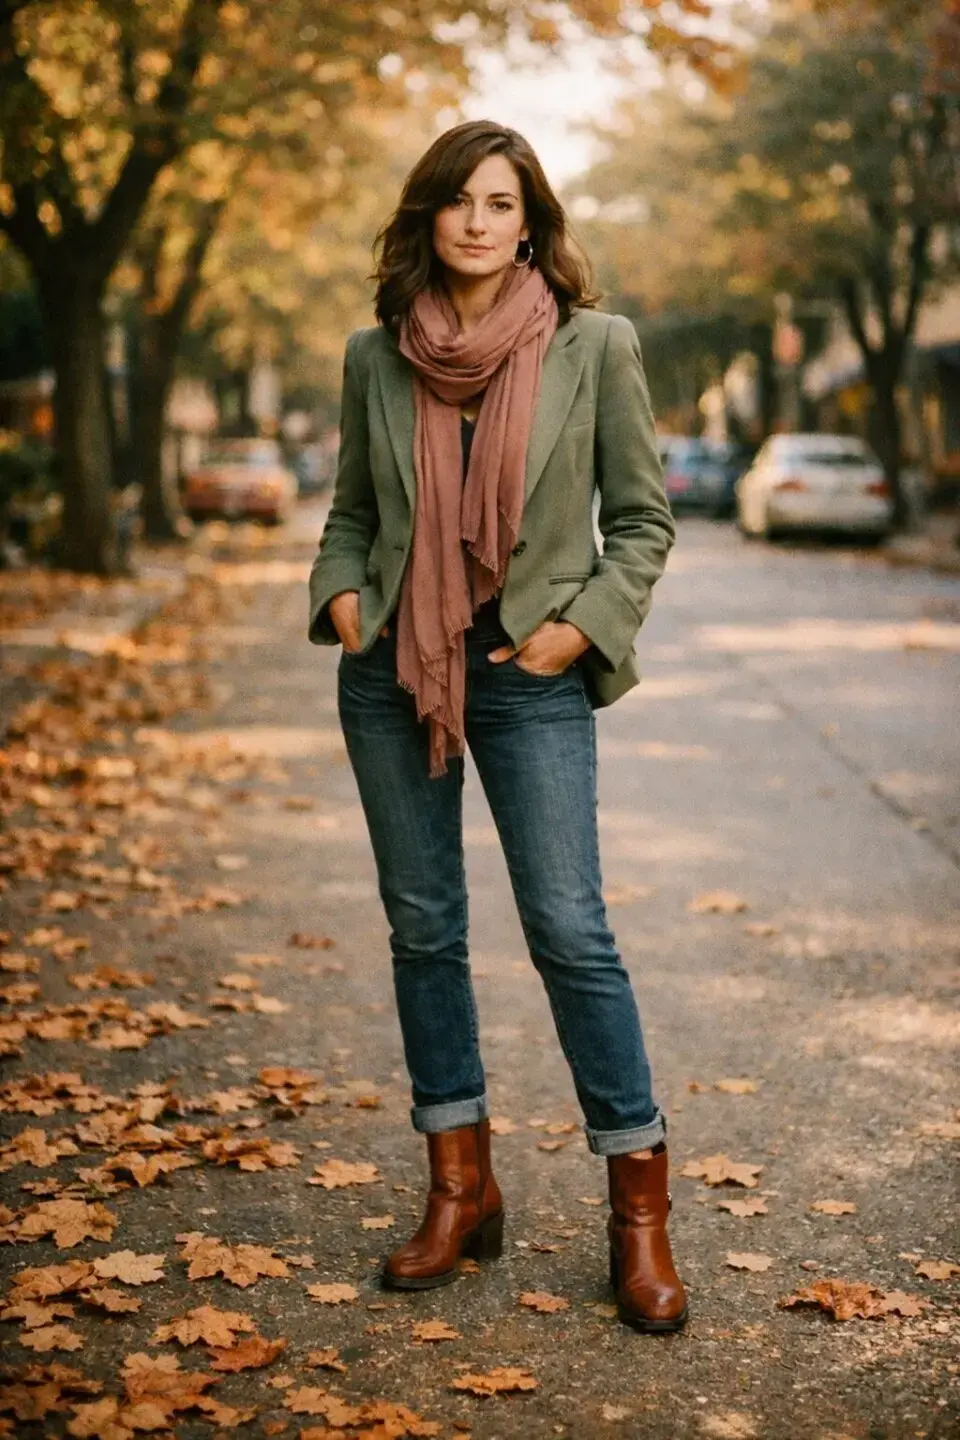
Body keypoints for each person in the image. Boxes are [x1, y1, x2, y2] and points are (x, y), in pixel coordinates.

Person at [307, 120, 685, 1334]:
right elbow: (351, 509)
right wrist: (345, 596)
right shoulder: (380, 356)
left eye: (500, 200)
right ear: (428, 217)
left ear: (531, 221)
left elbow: (641, 523)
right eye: (457, 201)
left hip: (531, 667)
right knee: (424, 931)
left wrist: (581, 629)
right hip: (395, 670)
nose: (477, 220)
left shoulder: (595, 346)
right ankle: (459, 1190)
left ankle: (639, 1216)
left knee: (571, 931)